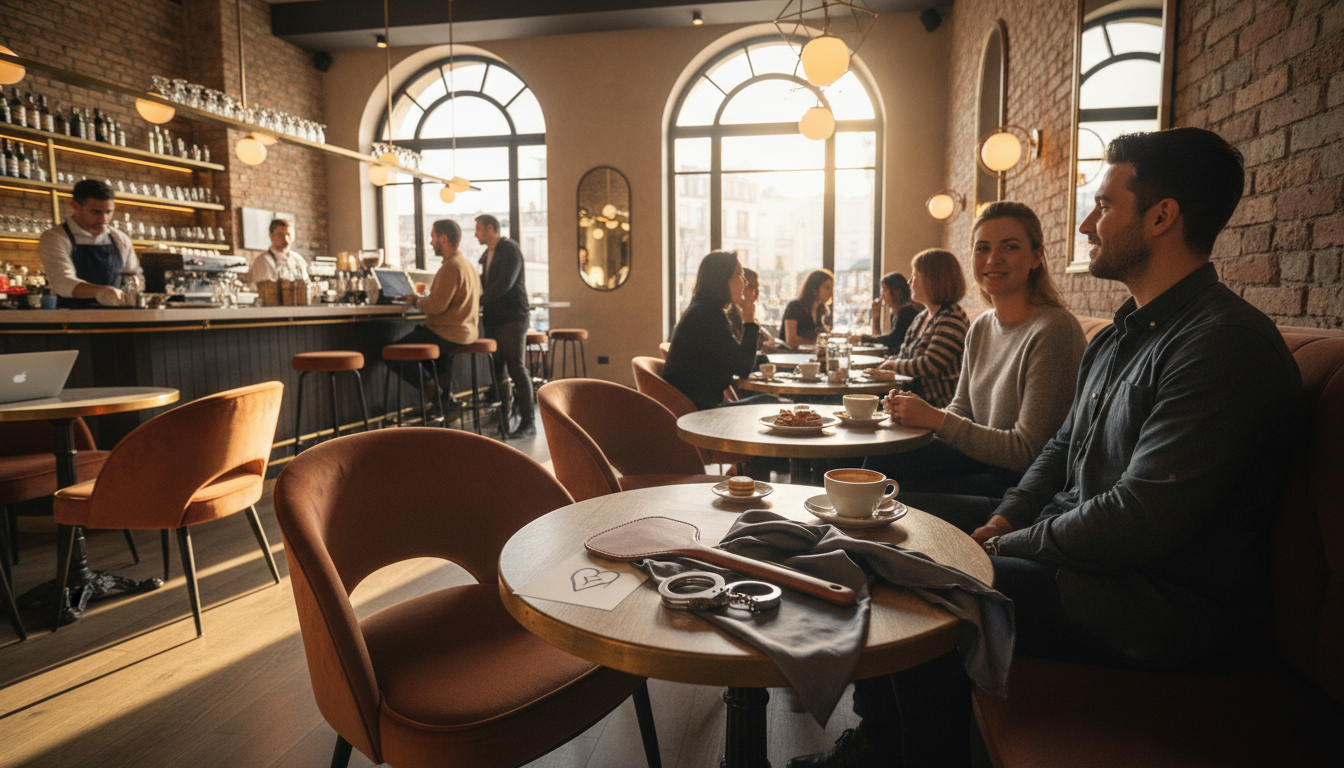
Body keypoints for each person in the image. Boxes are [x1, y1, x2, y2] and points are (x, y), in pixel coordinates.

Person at [789, 128, 1303, 768]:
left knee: (919, 583)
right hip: (1096, 565)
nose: (1087, 223)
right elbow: (1060, 448)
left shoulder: (1221, 345)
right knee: (888, 540)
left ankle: (897, 753)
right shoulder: (1124, 333)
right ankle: (881, 741)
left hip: (1160, 606)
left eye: (1104, 205)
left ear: (1162, 216)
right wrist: (1008, 513)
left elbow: (1136, 520)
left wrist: (1007, 543)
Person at [862, 202, 1086, 497]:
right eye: (982, 248)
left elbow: (1028, 452)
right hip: (979, 459)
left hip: (1021, 483)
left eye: (1010, 247)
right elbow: (962, 409)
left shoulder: (1054, 330)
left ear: (1036, 257)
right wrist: (912, 419)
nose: (993, 259)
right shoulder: (981, 327)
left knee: (897, 496)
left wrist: (933, 418)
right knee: (876, 460)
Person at [663, 251, 774, 411]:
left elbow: (734, 359)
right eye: (739, 275)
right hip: (699, 412)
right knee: (775, 403)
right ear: (722, 280)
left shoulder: (703, 309)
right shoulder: (707, 315)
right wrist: (750, 323)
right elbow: (742, 367)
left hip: (700, 404)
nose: (744, 281)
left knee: (770, 401)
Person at [389, 219, 481, 407]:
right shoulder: (467, 266)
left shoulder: (451, 267)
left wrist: (415, 300)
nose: (431, 243)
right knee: (434, 355)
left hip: (448, 332)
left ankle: (437, 398)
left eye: (432, 237)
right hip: (465, 332)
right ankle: (447, 402)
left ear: (443, 238)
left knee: (393, 354)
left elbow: (437, 305)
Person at [865, 249, 968, 408]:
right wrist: (881, 366)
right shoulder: (922, 317)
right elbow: (904, 355)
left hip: (938, 408)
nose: (909, 282)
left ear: (932, 280)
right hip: (915, 398)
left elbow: (929, 365)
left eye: (915, 276)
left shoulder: (952, 318)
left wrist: (892, 367)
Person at [475, 214, 534, 438]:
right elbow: (485, 283)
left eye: (479, 229)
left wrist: (478, 300)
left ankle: (528, 422)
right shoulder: (485, 256)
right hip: (493, 317)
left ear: (490, 228)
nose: (476, 234)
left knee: (516, 367)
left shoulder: (509, 249)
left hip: (513, 317)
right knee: (497, 368)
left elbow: (505, 283)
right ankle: (503, 420)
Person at [38, 179, 139, 307]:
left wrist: (136, 282)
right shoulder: (55, 237)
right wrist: (103, 291)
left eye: (109, 212)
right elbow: (62, 281)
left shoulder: (120, 239)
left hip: (117, 317)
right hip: (72, 319)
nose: (104, 219)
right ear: (75, 206)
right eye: (96, 212)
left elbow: (132, 276)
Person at [860, 272, 920, 354]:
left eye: (885, 290)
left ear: (896, 292)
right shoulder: (896, 313)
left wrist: (863, 338)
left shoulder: (907, 312)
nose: (882, 295)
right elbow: (882, 341)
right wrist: (876, 317)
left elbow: (891, 340)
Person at [779, 268, 833, 347]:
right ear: (814, 288)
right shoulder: (795, 306)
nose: (831, 292)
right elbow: (791, 340)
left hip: (809, 356)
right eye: (827, 288)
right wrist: (816, 341)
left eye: (831, 288)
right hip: (791, 356)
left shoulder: (821, 311)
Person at [246, 219, 309, 284]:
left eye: (288, 235)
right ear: (271, 236)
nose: (286, 239)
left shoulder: (298, 259)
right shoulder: (263, 261)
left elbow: (306, 283)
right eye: (280, 235)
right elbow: (266, 290)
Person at [741, 267, 780, 352]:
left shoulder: (753, 320)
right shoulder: (732, 323)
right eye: (749, 286)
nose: (755, 292)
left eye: (755, 286)